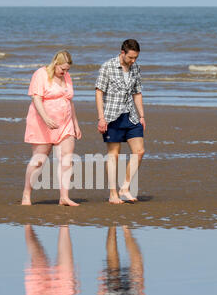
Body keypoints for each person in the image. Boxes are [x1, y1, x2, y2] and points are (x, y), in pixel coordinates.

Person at [22, 51, 82, 206]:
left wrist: (75, 124)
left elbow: (70, 101)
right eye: (63, 69)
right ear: (55, 63)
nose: (65, 73)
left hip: (65, 123)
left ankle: (64, 197)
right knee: (39, 161)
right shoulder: (41, 74)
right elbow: (36, 98)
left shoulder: (67, 77)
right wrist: (46, 118)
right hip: (43, 123)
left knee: (67, 159)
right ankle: (26, 195)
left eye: (68, 70)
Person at [95, 39, 146, 204]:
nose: (133, 61)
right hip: (112, 116)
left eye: (136, 58)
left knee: (139, 152)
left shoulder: (135, 68)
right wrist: (101, 118)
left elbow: (137, 93)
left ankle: (125, 188)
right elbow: (99, 93)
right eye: (131, 57)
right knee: (114, 155)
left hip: (131, 116)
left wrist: (142, 116)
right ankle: (113, 194)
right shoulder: (107, 66)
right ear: (122, 52)